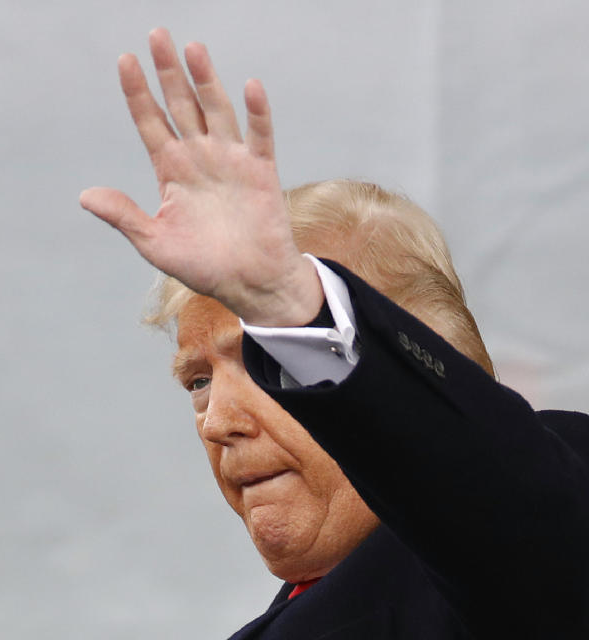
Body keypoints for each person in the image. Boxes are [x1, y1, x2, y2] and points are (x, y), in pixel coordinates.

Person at [80, 28, 589, 639]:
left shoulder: (544, 515)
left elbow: (512, 513)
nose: (217, 421)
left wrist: (292, 306)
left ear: (436, 365)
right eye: (198, 381)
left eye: (270, 357)